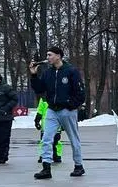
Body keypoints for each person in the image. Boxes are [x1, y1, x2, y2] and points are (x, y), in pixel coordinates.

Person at [29, 46, 85, 179]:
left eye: (50, 55)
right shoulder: (48, 73)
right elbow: (39, 89)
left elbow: (81, 93)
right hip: (52, 110)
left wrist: (70, 105)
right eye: (47, 55)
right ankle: (46, 168)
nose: (48, 57)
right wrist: (33, 75)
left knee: (73, 139)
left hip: (67, 111)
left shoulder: (71, 71)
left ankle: (79, 165)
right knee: (47, 138)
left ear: (58, 56)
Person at [33, 96, 63, 163]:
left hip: (48, 125)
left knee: (51, 141)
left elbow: (40, 110)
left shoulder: (44, 98)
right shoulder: (46, 97)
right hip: (52, 125)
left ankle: (53, 155)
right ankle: (54, 155)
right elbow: (40, 110)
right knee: (52, 141)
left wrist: (37, 120)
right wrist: (37, 120)